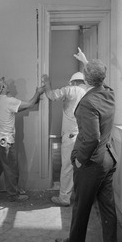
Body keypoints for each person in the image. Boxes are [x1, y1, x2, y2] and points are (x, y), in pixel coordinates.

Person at [54, 47, 119, 242]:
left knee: (81, 206)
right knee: (108, 208)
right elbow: (99, 78)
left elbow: (91, 138)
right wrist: (86, 62)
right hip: (109, 159)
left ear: (86, 80)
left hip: (92, 163)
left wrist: (80, 160)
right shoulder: (109, 93)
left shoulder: (87, 103)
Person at [0, 76, 45, 202]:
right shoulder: (9, 100)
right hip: (4, 141)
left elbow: (16, 109)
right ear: (3, 87)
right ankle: (13, 195)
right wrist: (38, 92)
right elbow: (30, 104)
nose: (9, 84)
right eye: (5, 83)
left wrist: (32, 102)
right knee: (10, 168)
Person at [41, 70, 86, 206]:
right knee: (81, 166)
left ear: (72, 81)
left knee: (67, 166)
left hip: (71, 135)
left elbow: (51, 95)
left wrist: (47, 83)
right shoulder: (88, 92)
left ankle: (64, 198)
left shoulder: (70, 89)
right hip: (84, 135)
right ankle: (81, 196)